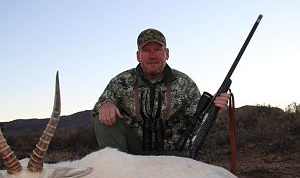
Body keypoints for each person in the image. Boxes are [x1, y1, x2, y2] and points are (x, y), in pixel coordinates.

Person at [92, 28, 229, 157]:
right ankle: (119, 174)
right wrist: (105, 105)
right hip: (135, 152)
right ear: (138, 56)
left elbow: (198, 121)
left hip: (174, 153)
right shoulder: (121, 81)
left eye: (158, 49)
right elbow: (99, 106)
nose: (152, 56)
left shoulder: (185, 83)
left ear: (167, 53)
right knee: (102, 119)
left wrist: (215, 111)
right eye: (146, 51)